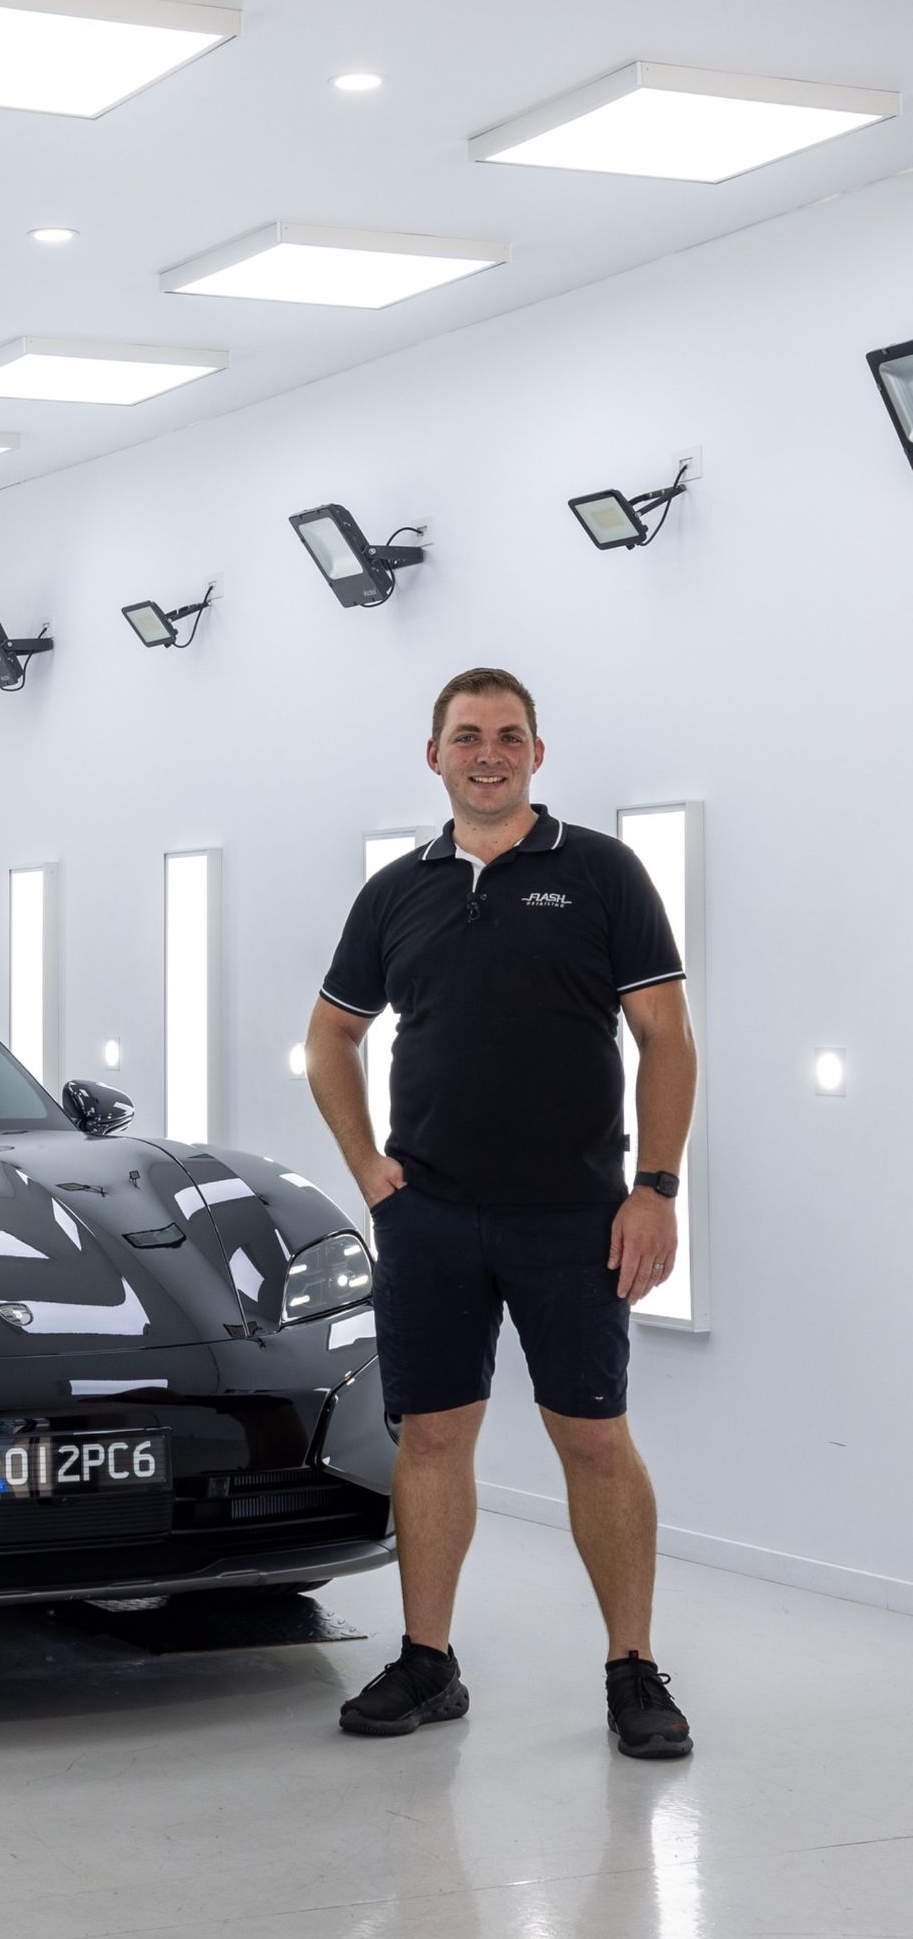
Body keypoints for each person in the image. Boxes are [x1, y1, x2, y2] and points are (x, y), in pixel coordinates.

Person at [305, 667, 698, 1758]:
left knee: (593, 1440)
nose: (489, 753)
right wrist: (369, 1168)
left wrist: (656, 1189)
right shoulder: (397, 892)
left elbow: (667, 1039)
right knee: (430, 1437)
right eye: (468, 736)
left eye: (509, 736)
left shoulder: (601, 873)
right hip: (429, 1216)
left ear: (537, 752)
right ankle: (427, 1661)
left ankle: (632, 1671)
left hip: (574, 1216)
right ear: (434, 755)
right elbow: (331, 1036)